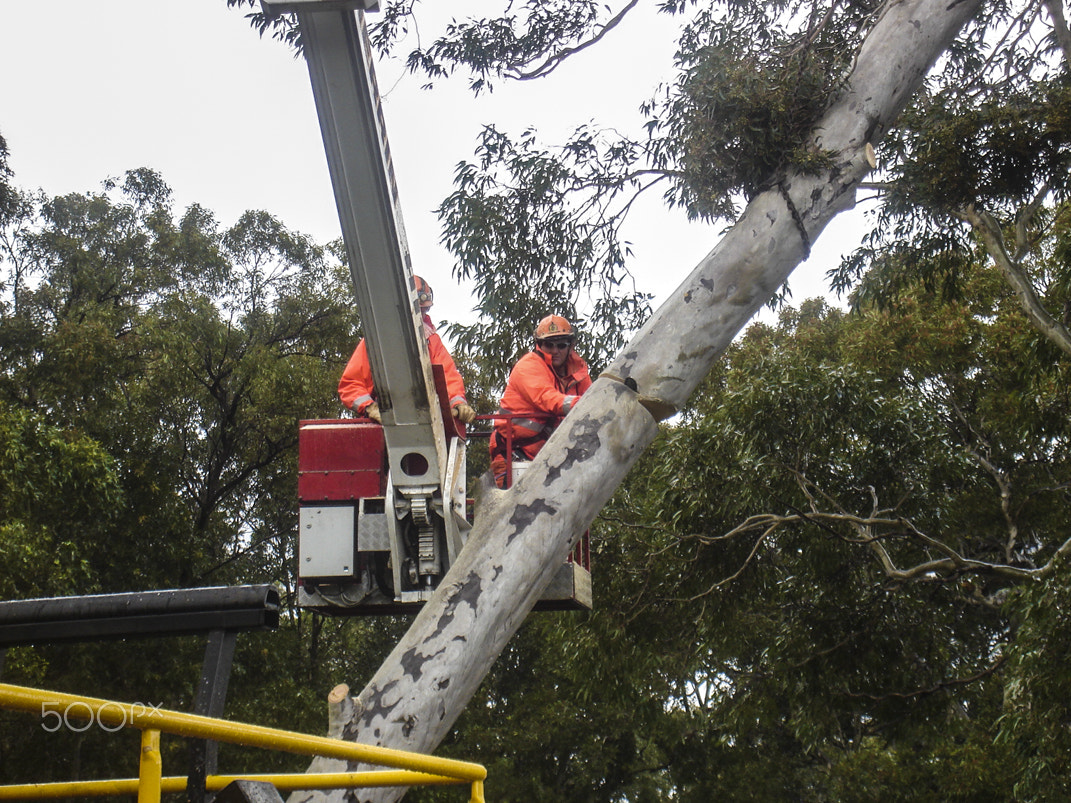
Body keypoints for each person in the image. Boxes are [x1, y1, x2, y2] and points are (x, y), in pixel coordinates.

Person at [338, 275, 476, 424]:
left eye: (424, 311)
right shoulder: (376, 341)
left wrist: (458, 403)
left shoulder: (431, 341)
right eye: (418, 311)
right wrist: (370, 407)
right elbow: (351, 383)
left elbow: (448, 377)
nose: (422, 316)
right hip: (382, 426)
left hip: (425, 421)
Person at [490, 314, 592, 487]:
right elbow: (546, 398)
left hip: (550, 454)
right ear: (539, 345)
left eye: (560, 345)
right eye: (548, 345)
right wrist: (584, 404)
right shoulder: (528, 366)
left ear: (571, 346)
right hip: (515, 453)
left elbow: (592, 397)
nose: (554, 351)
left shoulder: (578, 374)